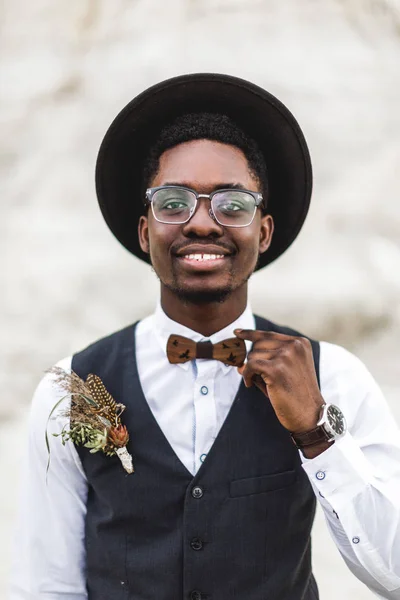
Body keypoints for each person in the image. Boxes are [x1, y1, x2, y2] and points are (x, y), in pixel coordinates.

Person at [10, 73, 400, 600]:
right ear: (146, 229)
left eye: (232, 205)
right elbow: (46, 586)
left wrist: (315, 433)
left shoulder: (334, 376)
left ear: (262, 230)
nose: (200, 224)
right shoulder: (70, 391)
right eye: (173, 203)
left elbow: (392, 574)